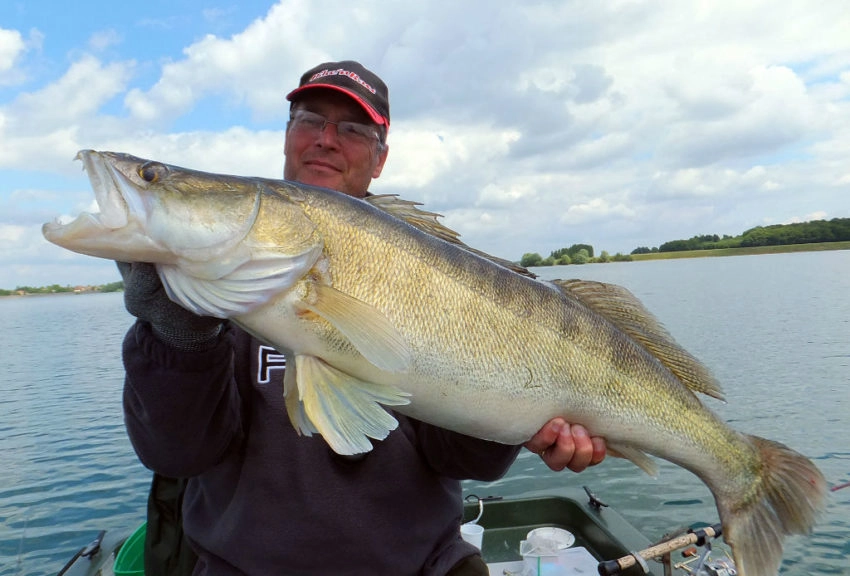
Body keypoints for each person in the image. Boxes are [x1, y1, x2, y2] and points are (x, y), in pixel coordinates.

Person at [119, 60, 606, 576]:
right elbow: (177, 454)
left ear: (380, 158)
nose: (326, 140)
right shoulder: (222, 283)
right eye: (309, 120)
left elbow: (465, 461)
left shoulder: (431, 272)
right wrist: (176, 334)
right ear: (287, 136)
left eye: (352, 129)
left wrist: (524, 419)